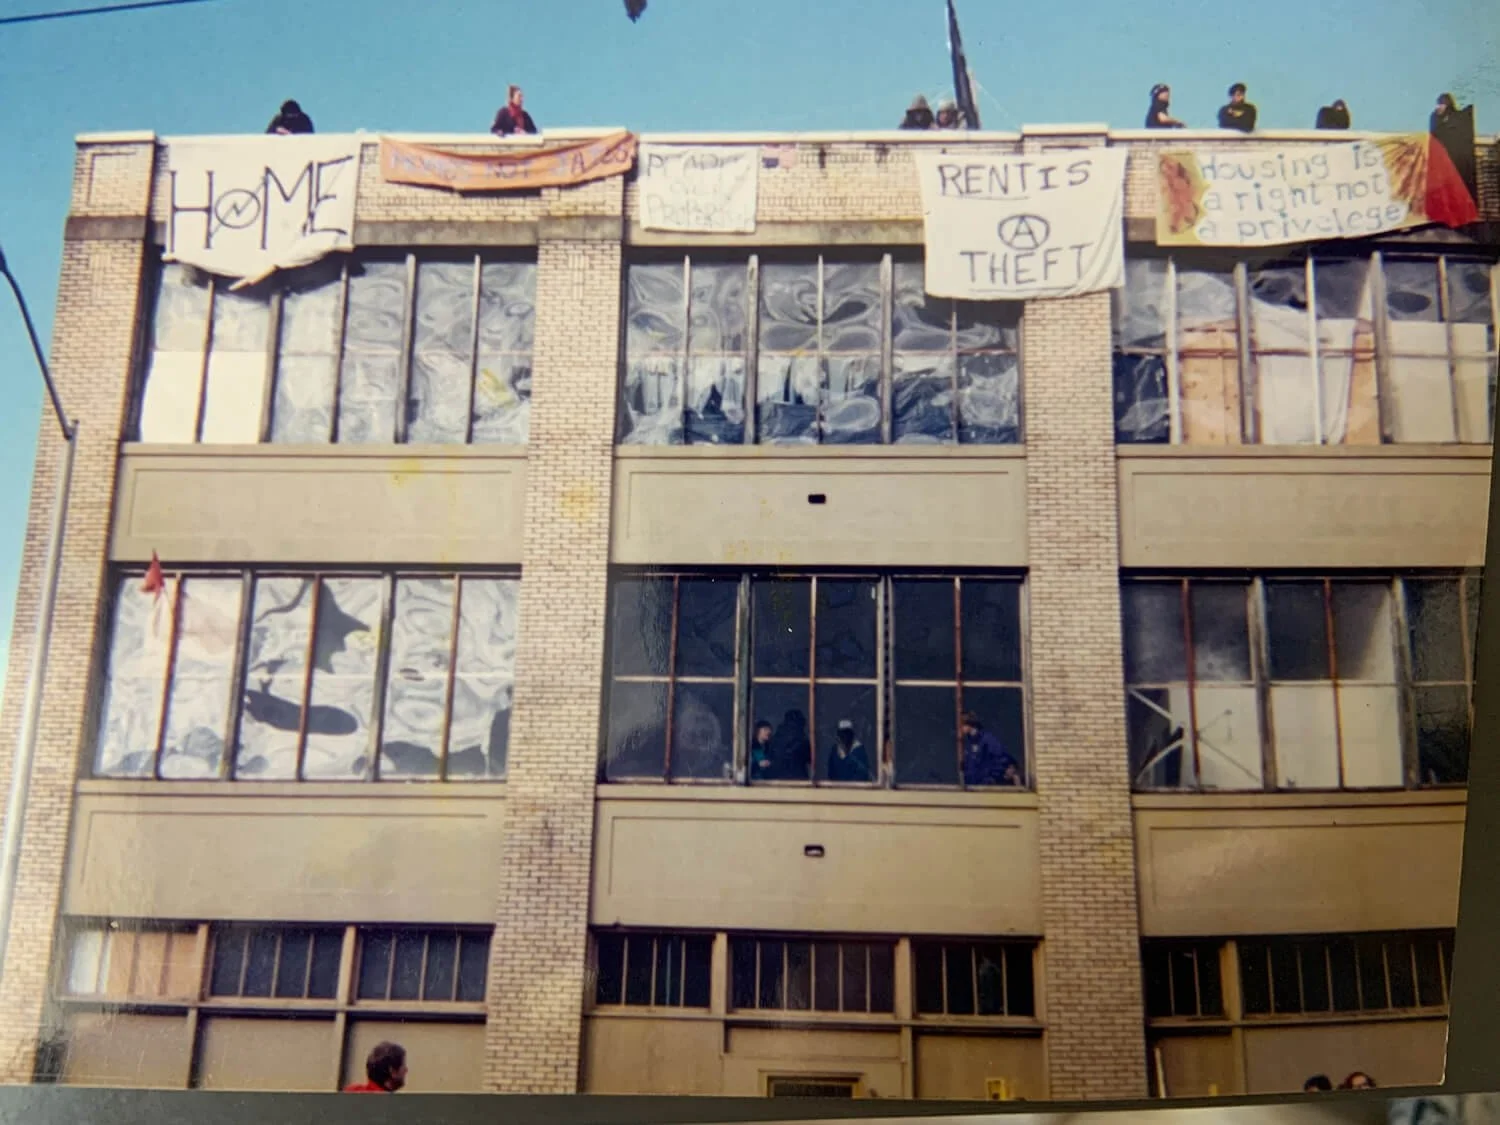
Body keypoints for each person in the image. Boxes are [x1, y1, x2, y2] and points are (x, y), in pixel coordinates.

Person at [1431, 92, 1479, 200]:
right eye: (1439, 104)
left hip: (1458, 160)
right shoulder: (1436, 118)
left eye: (1442, 104)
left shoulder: (1458, 118)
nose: (1439, 106)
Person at [961, 712, 1022, 787]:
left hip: (986, 788)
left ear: (969, 725)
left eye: (962, 725)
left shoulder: (987, 739)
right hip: (972, 788)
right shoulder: (968, 743)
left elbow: (1001, 758)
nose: (960, 728)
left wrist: (991, 779)